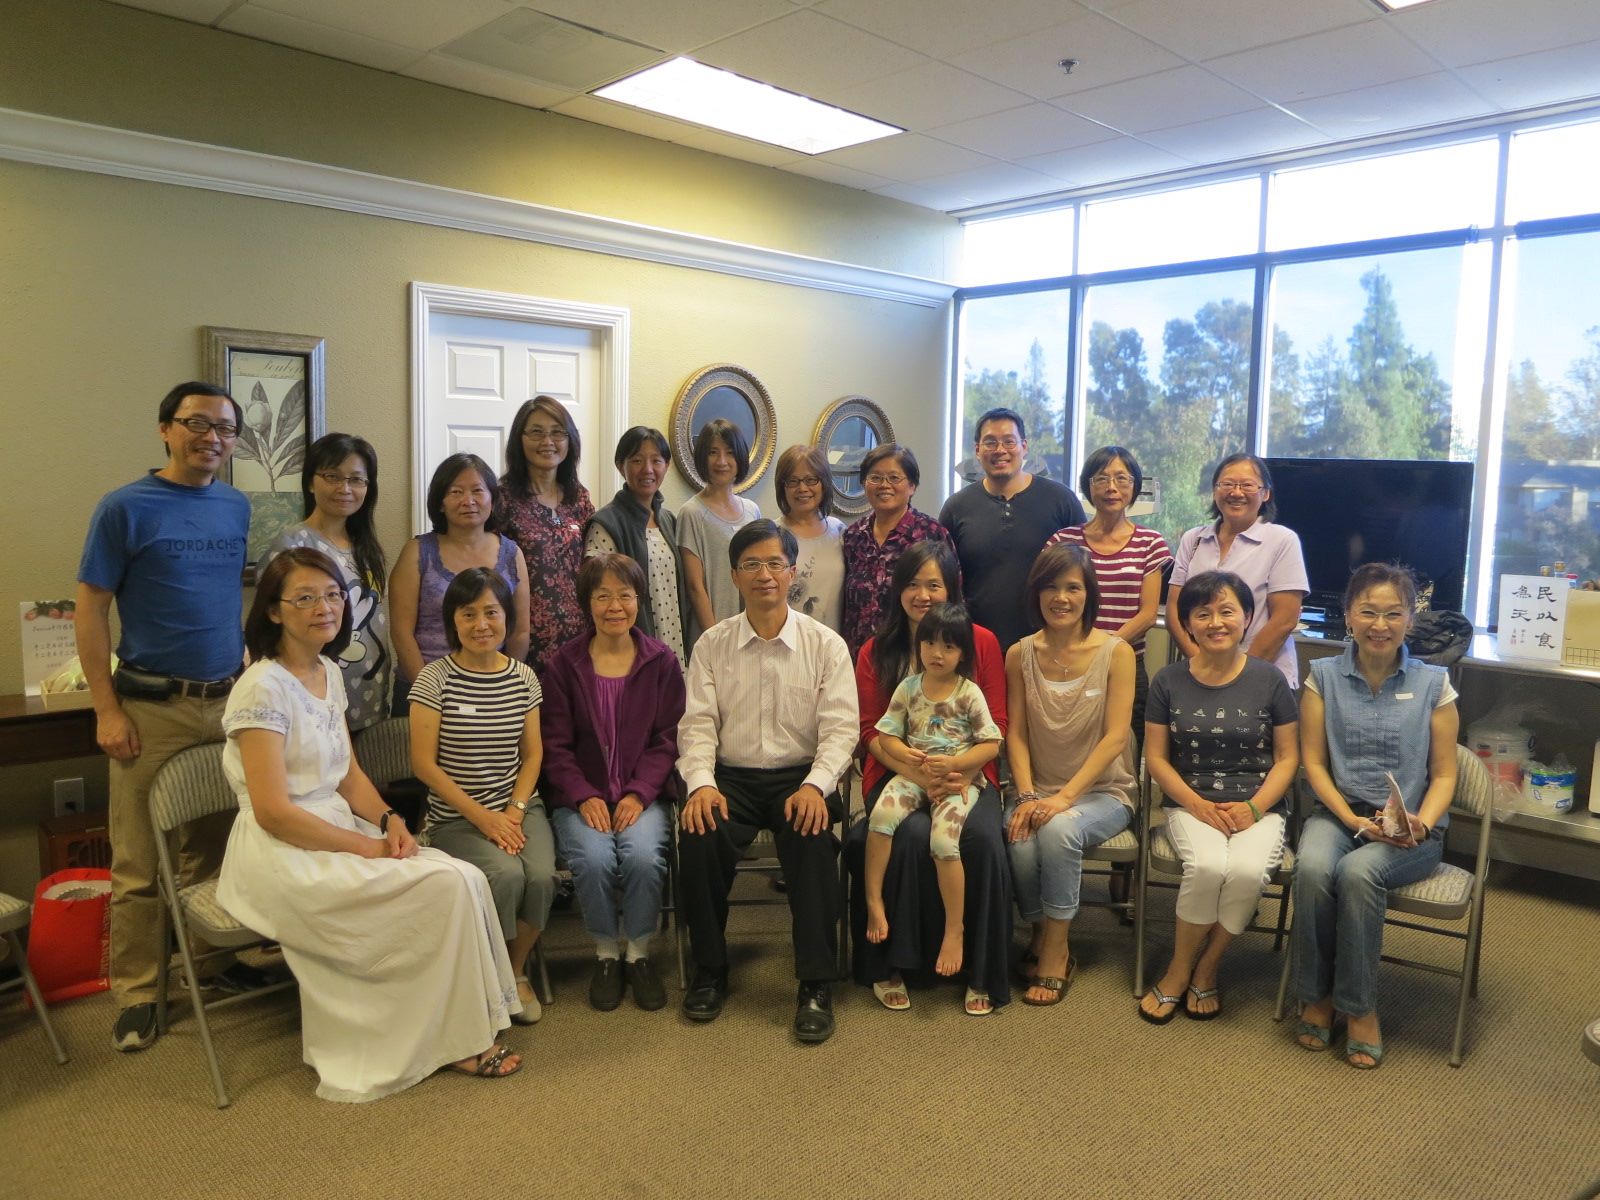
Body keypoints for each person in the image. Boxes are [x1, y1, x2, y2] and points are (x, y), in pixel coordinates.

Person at [218, 547, 522, 1099]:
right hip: (280, 851)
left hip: (335, 830)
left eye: (333, 595)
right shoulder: (262, 687)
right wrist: (368, 850)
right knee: (441, 885)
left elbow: (348, 774)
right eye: (305, 598)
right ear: (273, 611)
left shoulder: (327, 672)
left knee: (465, 878)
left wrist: (388, 820)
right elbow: (273, 812)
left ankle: (453, 1029)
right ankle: (446, 1040)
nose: (324, 608)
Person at [75, 381, 266, 1054]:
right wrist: (105, 707)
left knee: (211, 848)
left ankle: (207, 965)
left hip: (224, 701)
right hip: (151, 707)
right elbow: (91, 609)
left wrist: (243, 663)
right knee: (138, 862)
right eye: (197, 424)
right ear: (165, 429)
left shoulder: (235, 506)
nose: (212, 437)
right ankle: (137, 992)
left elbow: (225, 595)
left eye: (225, 428)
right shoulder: (124, 507)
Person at [675, 520, 857, 1043]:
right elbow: (697, 725)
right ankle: (710, 970)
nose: (765, 574)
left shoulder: (826, 645)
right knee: (700, 838)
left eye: (775, 563)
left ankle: (815, 983)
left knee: (812, 841)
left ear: (792, 572)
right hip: (729, 779)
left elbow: (841, 729)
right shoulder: (712, 644)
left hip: (800, 778)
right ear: (734, 576)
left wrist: (816, 786)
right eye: (751, 564)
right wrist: (701, 785)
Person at [1291, 563, 1459, 1069]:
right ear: (1348, 616)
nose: (1379, 625)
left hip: (1412, 830)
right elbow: (1313, 763)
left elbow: (1445, 774)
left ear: (1410, 618)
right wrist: (1350, 819)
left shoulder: (1435, 684)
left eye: (1393, 613)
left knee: (1358, 873)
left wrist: (1421, 822)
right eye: (1368, 612)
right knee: (1313, 867)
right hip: (1340, 816)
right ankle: (1317, 995)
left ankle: (1359, 1007)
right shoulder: (1323, 677)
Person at [847, 540, 1012, 1015]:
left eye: (934, 585)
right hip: (897, 771)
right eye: (913, 584)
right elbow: (871, 732)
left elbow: (996, 725)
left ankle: (979, 969)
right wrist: (918, 773)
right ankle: (892, 962)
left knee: (980, 840)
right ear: (898, 589)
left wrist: (955, 771)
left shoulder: (981, 642)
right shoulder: (877, 650)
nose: (923, 595)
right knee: (907, 833)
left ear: (952, 589)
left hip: (966, 774)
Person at [1139, 570, 1299, 1024]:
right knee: (1209, 867)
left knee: (1246, 871)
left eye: (1227, 611)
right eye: (1202, 613)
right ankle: (1178, 971)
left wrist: (1254, 807)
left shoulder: (1271, 680)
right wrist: (1196, 804)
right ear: (1187, 624)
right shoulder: (1167, 680)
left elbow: (1288, 758)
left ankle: (1206, 967)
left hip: (1258, 804)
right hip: (1191, 803)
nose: (1216, 622)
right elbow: (1157, 758)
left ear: (1247, 617)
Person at [408, 567, 555, 1025]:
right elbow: (423, 765)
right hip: (455, 816)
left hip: (517, 806)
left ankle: (513, 970)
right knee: (506, 876)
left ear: (506, 617)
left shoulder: (523, 677)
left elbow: (533, 755)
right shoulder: (434, 679)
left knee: (542, 877)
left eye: (491, 612)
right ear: (452, 621)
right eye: (468, 614)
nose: (481, 624)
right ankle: (494, 975)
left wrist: (513, 811)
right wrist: (484, 818)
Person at [540, 553, 684, 1013]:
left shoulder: (661, 661)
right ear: (588, 603)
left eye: (625, 595)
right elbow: (554, 746)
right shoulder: (564, 665)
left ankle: (638, 953)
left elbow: (668, 740)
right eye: (603, 596)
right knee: (595, 859)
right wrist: (583, 796)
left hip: (644, 796)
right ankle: (606, 953)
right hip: (580, 798)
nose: (615, 606)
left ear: (639, 600)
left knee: (643, 857)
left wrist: (640, 793)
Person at [1005, 544, 1138, 1006]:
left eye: (1072, 588)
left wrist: (1064, 799)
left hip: (1102, 793)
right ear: (1036, 593)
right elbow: (1015, 733)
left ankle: (1057, 951)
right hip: (1034, 788)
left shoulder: (1117, 653)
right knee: (1021, 841)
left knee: (1059, 829)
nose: (1060, 598)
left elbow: (1115, 738)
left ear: (1089, 594)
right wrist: (1027, 796)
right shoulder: (1019, 653)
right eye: (1051, 587)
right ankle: (1040, 931)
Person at [865, 603, 1002, 996]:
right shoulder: (909, 687)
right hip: (915, 777)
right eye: (929, 643)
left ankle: (954, 930)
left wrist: (957, 763)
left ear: (963, 653)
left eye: (948, 646)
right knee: (880, 820)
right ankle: (874, 903)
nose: (936, 653)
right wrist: (904, 753)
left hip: (958, 781)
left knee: (943, 842)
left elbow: (991, 744)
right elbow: (886, 734)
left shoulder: (969, 693)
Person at [262, 433, 392, 730]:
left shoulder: (366, 547)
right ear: (311, 482)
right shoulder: (291, 545)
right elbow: (272, 625)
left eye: (356, 480)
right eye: (332, 476)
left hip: (370, 690)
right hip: (312, 696)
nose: (345, 488)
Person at [1046, 445, 1170, 737]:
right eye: (1101, 478)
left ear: (1134, 486)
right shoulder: (1063, 540)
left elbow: (1148, 613)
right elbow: (1051, 600)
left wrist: (1104, 649)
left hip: (1125, 664)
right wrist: (1084, 650)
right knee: (1067, 743)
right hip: (1070, 662)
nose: (1111, 487)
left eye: (1121, 478)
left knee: (1124, 746)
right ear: (1088, 486)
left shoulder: (1150, 543)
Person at [390, 453, 531, 706]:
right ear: (440, 503)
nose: (468, 501)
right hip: (422, 688)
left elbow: (519, 632)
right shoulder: (417, 552)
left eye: (477, 491)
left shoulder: (512, 554)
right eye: (456, 492)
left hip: (492, 690)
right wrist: (429, 693)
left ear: (492, 499)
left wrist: (505, 684)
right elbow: (401, 632)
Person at [939, 407, 1085, 652]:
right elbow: (944, 578)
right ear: (977, 450)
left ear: (1024, 446)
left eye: (1009, 441)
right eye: (990, 442)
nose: (1000, 450)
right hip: (974, 646)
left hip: (1047, 646)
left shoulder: (1062, 501)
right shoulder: (957, 507)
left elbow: (1083, 572)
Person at [1168, 453, 1308, 687]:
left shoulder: (1282, 540)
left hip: (1263, 679)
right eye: (1227, 484)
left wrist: (1237, 677)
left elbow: (1284, 619)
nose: (1236, 492)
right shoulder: (1193, 539)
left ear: (1266, 493)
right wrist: (1203, 666)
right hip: (1199, 678)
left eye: (1247, 485)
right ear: (1215, 491)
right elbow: (1174, 610)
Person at [500, 395, 595, 675]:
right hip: (522, 640)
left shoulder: (579, 498)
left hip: (580, 639)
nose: (547, 441)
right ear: (519, 439)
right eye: (536, 432)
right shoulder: (502, 499)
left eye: (557, 432)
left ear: (570, 440)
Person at [841, 443, 954, 662]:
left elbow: (953, 599)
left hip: (915, 658)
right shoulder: (853, 536)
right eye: (875, 478)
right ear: (864, 483)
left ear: (912, 486)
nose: (884, 485)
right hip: (859, 658)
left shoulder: (932, 534)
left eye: (894, 478)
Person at [585, 426, 688, 665]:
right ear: (620, 466)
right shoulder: (606, 523)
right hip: (629, 650)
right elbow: (598, 596)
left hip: (673, 642)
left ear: (667, 465)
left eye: (656, 460)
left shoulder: (668, 520)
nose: (647, 469)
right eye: (637, 460)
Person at [678, 417, 761, 646]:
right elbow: (695, 586)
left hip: (750, 632)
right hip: (711, 635)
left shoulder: (752, 511)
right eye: (713, 452)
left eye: (730, 453)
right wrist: (715, 639)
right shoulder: (692, 512)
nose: (721, 461)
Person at [775, 444, 845, 633]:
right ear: (782, 487)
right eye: (793, 481)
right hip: (786, 640)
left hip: (834, 641)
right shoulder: (773, 535)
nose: (802, 488)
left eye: (811, 480)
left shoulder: (840, 532)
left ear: (824, 483)